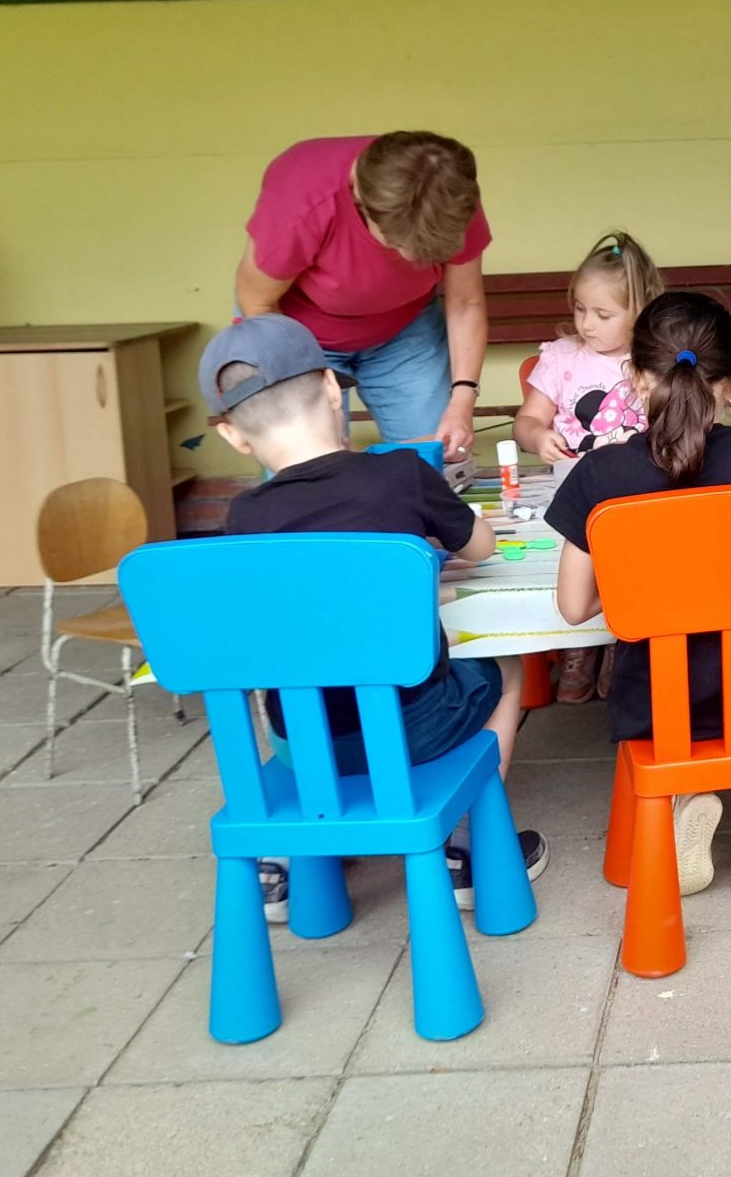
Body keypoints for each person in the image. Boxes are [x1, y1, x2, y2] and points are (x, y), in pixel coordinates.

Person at [201, 313, 548, 922]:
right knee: (509, 668)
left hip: (301, 744)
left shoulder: (244, 519)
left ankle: (293, 851)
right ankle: (465, 843)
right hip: (417, 727)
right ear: (334, 390)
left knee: (288, 678)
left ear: (234, 436)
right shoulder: (402, 476)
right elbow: (481, 546)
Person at [547, 290, 731, 892]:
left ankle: (686, 796)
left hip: (653, 704)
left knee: (675, 694)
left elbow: (573, 606)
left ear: (635, 378)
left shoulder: (600, 473)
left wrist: (642, 585)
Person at [235, 132, 489, 460]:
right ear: (360, 201)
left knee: (435, 458)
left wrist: (462, 401)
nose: (410, 262)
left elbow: (465, 302)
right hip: (296, 332)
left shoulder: (449, 194)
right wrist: (303, 390)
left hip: (406, 328)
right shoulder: (302, 200)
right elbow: (258, 302)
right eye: (397, 245)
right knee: (307, 465)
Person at [513, 231, 663, 704]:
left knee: (634, 560)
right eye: (580, 309)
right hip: (573, 494)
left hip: (637, 497)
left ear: (640, 310)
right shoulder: (562, 357)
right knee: (573, 563)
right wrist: (537, 436)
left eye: (602, 314)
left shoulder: (654, 360)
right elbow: (527, 421)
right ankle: (579, 644)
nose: (586, 323)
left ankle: (621, 640)